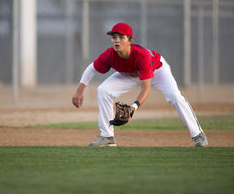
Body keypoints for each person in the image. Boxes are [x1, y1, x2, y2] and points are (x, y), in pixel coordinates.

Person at [72, 22, 208, 147]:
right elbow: (92, 68)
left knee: (174, 96)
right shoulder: (109, 54)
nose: (116, 40)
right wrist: (79, 91)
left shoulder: (141, 56)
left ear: (130, 41)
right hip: (130, 74)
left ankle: (198, 135)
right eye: (114, 37)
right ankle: (107, 137)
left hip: (158, 70)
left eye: (121, 37)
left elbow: (146, 88)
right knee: (103, 90)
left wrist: (133, 108)